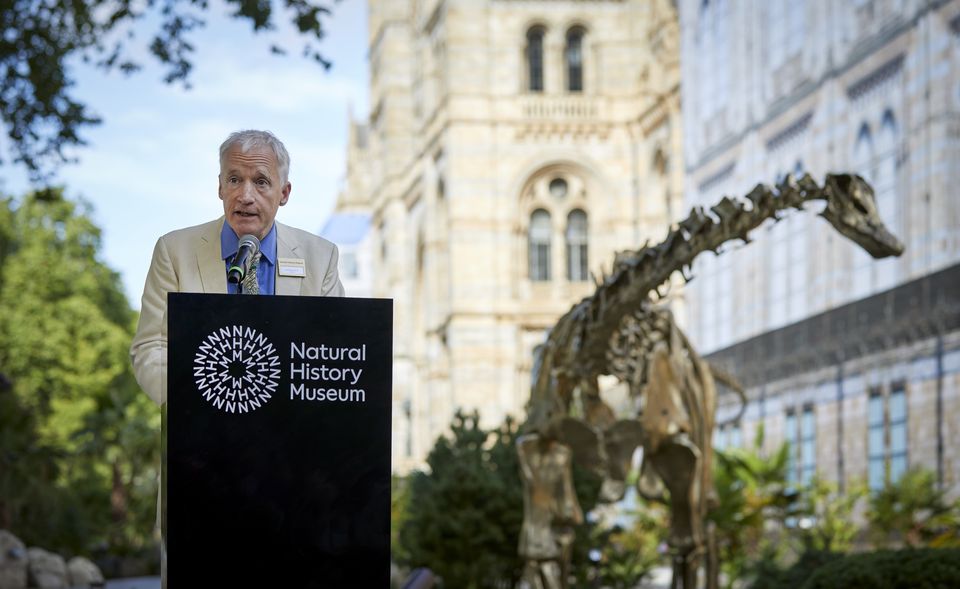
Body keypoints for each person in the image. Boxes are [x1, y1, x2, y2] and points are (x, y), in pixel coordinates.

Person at [130, 129, 345, 404]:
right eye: (234, 180)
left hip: (292, 431)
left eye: (261, 182)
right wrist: (192, 404)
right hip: (202, 428)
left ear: (284, 192)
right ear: (220, 187)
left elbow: (333, 352)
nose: (245, 195)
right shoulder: (174, 251)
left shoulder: (321, 256)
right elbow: (152, 346)